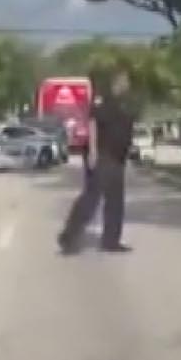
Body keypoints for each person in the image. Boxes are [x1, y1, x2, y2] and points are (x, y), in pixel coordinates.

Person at [58, 70, 135, 254]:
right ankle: (68, 237)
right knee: (91, 198)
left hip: (118, 158)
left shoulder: (125, 104)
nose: (126, 86)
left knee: (116, 201)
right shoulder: (103, 100)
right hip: (103, 155)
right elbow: (93, 124)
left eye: (127, 82)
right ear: (115, 83)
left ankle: (111, 241)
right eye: (123, 82)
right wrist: (92, 151)